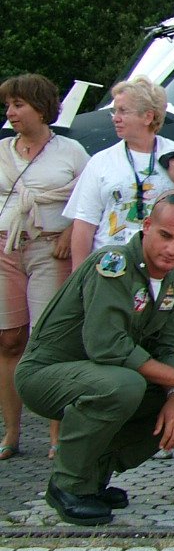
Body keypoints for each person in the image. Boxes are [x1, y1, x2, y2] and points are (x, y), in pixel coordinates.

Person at [14, 193, 174, 525]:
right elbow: (107, 346)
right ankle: (67, 485)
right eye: (165, 236)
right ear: (147, 226)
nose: (173, 249)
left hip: (100, 376)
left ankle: (92, 478)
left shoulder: (173, 280)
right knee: (124, 385)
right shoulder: (113, 264)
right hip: (45, 375)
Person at [0, 74, 89, 462]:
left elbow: (90, 200)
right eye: (8, 105)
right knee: (8, 340)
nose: (10, 113)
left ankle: (57, 433)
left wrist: (71, 230)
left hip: (49, 250)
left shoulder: (70, 151)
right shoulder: (3, 150)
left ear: (40, 107)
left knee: (48, 339)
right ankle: (12, 433)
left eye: (18, 104)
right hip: (5, 250)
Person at [66, 77, 174, 274]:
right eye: (114, 111)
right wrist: (79, 277)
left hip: (166, 274)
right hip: (111, 270)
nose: (115, 118)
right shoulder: (101, 161)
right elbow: (84, 224)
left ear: (148, 117)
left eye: (123, 111)